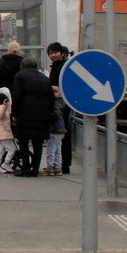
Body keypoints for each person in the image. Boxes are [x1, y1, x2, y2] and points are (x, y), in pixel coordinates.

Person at [10, 57, 54, 177]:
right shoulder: (44, 78)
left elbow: (16, 96)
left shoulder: (20, 76)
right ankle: (35, 169)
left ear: (22, 66)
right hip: (42, 114)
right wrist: (47, 112)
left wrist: (14, 113)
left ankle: (25, 168)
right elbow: (51, 98)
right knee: (38, 143)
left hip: (25, 113)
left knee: (23, 141)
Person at [46, 41, 72, 173]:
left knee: (61, 133)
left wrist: (55, 90)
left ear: (62, 53)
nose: (53, 55)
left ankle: (63, 165)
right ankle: (60, 165)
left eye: (55, 52)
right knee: (60, 134)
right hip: (59, 102)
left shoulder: (63, 66)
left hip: (62, 104)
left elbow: (63, 86)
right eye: (51, 53)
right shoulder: (56, 66)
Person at [44, 87, 67, 175]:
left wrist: (47, 117)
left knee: (51, 149)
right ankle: (57, 167)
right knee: (57, 149)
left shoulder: (56, 103)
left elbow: (55, 115)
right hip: (60, 129)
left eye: (55, 92)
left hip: (54, 129)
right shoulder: (60, 103)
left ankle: (50, 167)